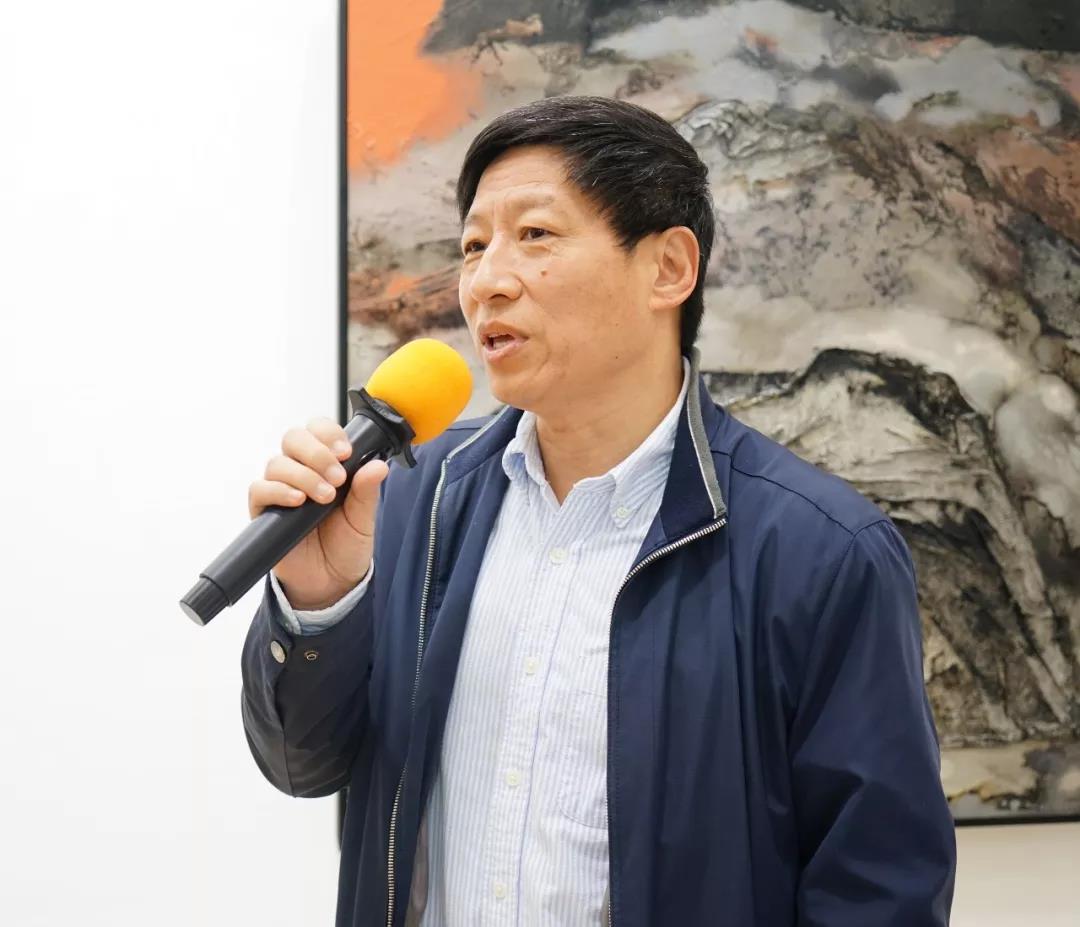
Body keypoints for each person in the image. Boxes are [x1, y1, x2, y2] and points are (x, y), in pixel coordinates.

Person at [240, 95, 956, 926]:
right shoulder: (408, 498)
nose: (486, 281)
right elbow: (301, 763)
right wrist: (319, 600)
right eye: (473, 246)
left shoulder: (822, 551)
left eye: (535, 234)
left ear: (669, 268)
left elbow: (879, 893)